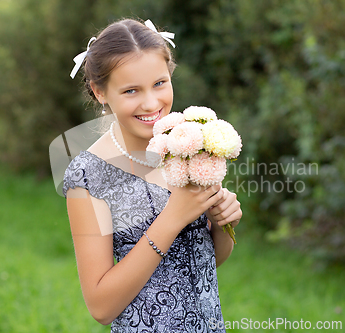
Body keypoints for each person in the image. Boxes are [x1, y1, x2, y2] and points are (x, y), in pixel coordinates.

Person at [62, 18, 242, 332]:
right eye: (131, 90)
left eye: (159, 83)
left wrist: (222, 223)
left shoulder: (188, 145)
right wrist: (172, 218)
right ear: (99, 91)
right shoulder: (87, 176)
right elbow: (101, 307)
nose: (151, 103)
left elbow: (205, 264)